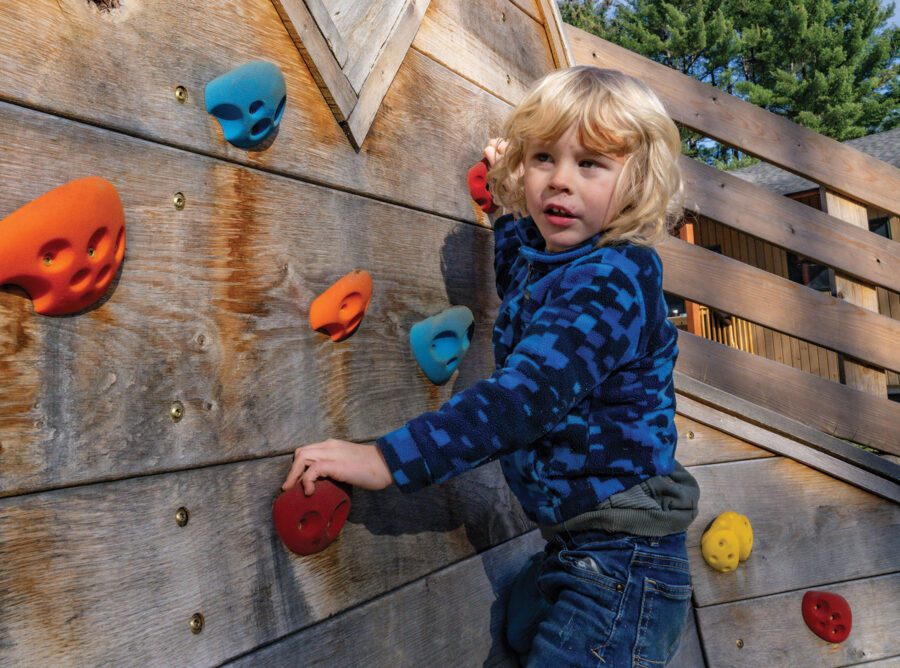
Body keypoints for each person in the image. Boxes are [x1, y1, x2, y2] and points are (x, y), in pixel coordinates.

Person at [282, 66, 700, 666]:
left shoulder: (613, 280)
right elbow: (522, 279)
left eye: (590, 164)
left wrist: (385, 459)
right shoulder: (561, 264)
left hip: (623, 563)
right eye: (543, 158)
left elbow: (522, 399)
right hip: (577, 547)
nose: (560, 181)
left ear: (636, 182)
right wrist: (505, 205)